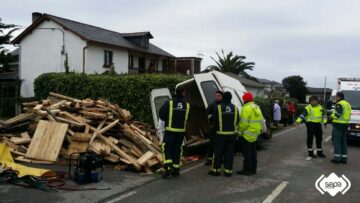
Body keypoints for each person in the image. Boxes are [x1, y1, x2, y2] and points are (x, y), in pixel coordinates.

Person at [159, 87, 190, 178]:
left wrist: (167, 120)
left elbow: (161, 114)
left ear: (176, 92)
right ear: (183, 93)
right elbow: (188, 118)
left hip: (170, 130)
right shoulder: (187, 105)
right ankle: (176, 170)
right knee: (177, 149)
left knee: (166, 148)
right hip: (181, 132)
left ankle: (168, 168)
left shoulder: (169, 103)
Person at [208, 92, 239, 177]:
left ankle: (216, 170)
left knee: (217, 153)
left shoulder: (218, 108)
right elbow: (237, 121)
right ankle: (228, 171)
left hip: (220, 135)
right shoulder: (235, 108)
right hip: (231, 135)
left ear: (223, 98)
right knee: (229, 153)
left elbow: (213, 120)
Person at [238, 92, 264, 176]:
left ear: (245, 100)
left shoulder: (246, 108)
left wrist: (239, 132)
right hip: (254, 134)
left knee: (247, 153)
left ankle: (247, 170)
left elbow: (244, 123)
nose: (243, 100)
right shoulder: (257, 107)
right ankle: (253, 169)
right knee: (253, 153)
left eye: (243, 99)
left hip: (246, 134)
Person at [329, 92, 352, 164]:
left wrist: (331, 117)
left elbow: (338, 114)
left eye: (336, 97)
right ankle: (344, 158)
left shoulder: (339, 104)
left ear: (339, 97)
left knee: (337, 142)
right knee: (343, 142)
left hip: (338, 125)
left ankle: (337, 158)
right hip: (346, 125)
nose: (336, 98)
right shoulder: (348, 104)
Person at [205, 91, 223, 165]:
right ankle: (209, 160)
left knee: (220, 145)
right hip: (213, 128)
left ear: (222, 97)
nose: (217, 97)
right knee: (211, 144)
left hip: (221, 129)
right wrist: (212, 117)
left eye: (218, 96)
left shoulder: (223, 105)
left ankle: (220, 159)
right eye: (216, 95)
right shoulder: (212, 105)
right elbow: (206, 114)